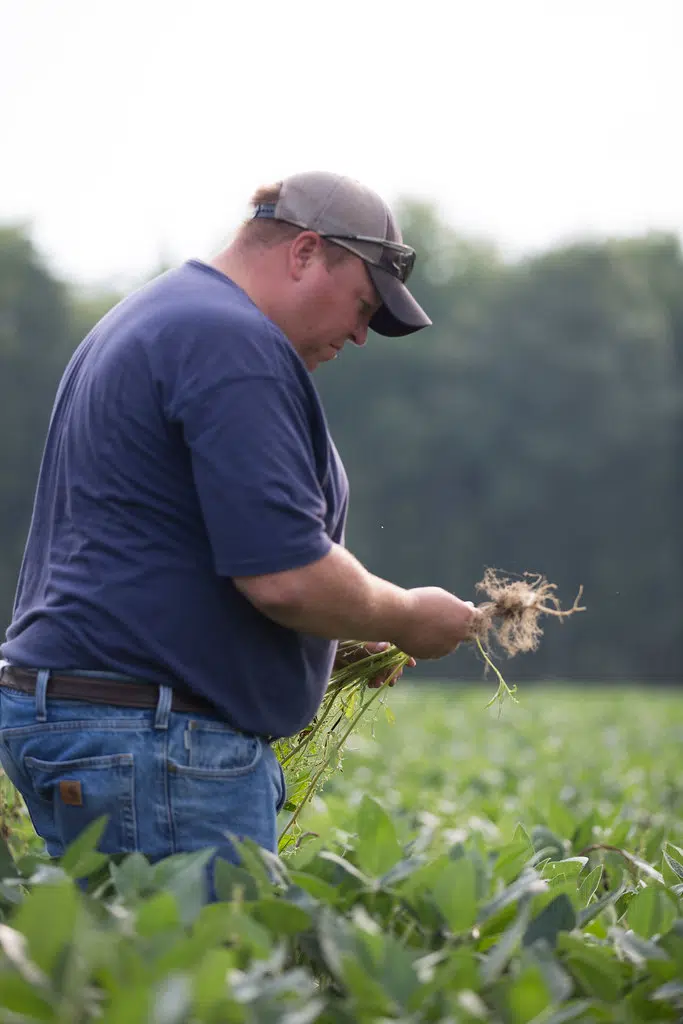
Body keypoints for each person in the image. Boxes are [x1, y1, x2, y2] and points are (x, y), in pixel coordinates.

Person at [0, 171, 479, 890]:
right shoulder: (232, 343)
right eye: (361, 304)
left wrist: (331, 632)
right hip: (154, 742)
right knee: (203, 989)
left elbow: (162, 546)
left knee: (120, 985)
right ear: (305, 252)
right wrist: (407, 616)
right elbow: (285, 576)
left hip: (101, 721)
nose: (359, 334)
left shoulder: (159, 316)